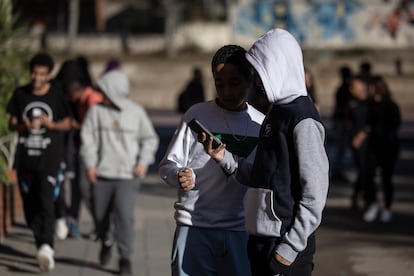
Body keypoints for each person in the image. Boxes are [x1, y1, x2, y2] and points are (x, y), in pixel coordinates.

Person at [159, 45, 265, 276]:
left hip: (240, 231)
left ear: (250, 79)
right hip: (194, 227)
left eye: (234, 83)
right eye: (219, 83)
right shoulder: (196, 115)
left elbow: (262, 177)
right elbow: (167, 165)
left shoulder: (261, 125)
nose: (226, 91)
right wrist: (178, 175)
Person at [243, 28, 329, 276]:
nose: (256, 80)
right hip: (261, 240)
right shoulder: (277, 110)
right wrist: (226, 161)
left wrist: (289, 249)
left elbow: (315, 192)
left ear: (278, 66)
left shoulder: (303, 117)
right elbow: (266, 174)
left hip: (284, 247)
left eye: (260, 70)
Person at [80, 70, 159, 275]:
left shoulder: (136, 112)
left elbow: (150, 139)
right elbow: (87, 138)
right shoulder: (96, 111)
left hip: (127, 176)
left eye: (105, 92)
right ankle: (106, 240)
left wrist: (143, 162)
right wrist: (90, 164)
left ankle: (125, 257)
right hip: (102, 174)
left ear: (114, 92)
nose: (102, 96)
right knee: (100, 215)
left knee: (124, 216)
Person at [6, 52, 71, 272]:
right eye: (34, 73)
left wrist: (51, 125)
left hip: (49, 159)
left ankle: (47, 245)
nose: (36, 78)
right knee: (30, 206)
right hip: (25, 159)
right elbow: (12, 123)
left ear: (48, 75)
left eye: (42, 74)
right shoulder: (20, 94)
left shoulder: (57, 96)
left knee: (45, 201)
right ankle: (41, 242)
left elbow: (68, 122)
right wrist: (24, 126)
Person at [363, 76, 401, 223]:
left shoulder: (390, 105)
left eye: (370, 87)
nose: (368, 90)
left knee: (386, 177)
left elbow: (394, 126)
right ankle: (373, 204)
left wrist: (375, 129)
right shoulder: (370, 105)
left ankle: (387, 207)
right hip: (373, 146)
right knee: (369, 175)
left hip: (388, 146)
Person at [347, 74, 371, 211]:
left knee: (366, 171)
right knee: (362, 170)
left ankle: (365, 198)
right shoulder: (351, 102)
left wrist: (362, 135)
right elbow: (346, 122)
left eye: (354, 86)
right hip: (355, 143)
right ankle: (359, 197)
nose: (352, 89)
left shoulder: (371, 102)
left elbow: (372, 122)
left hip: (368, 141)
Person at [331, 65, 353, 181]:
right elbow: (344, 109)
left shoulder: (342, 88)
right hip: (343, 121)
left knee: (341, 147)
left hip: (341, 120)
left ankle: (338, 170)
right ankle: (338, 171)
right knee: (341, 147)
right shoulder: (345, 89)